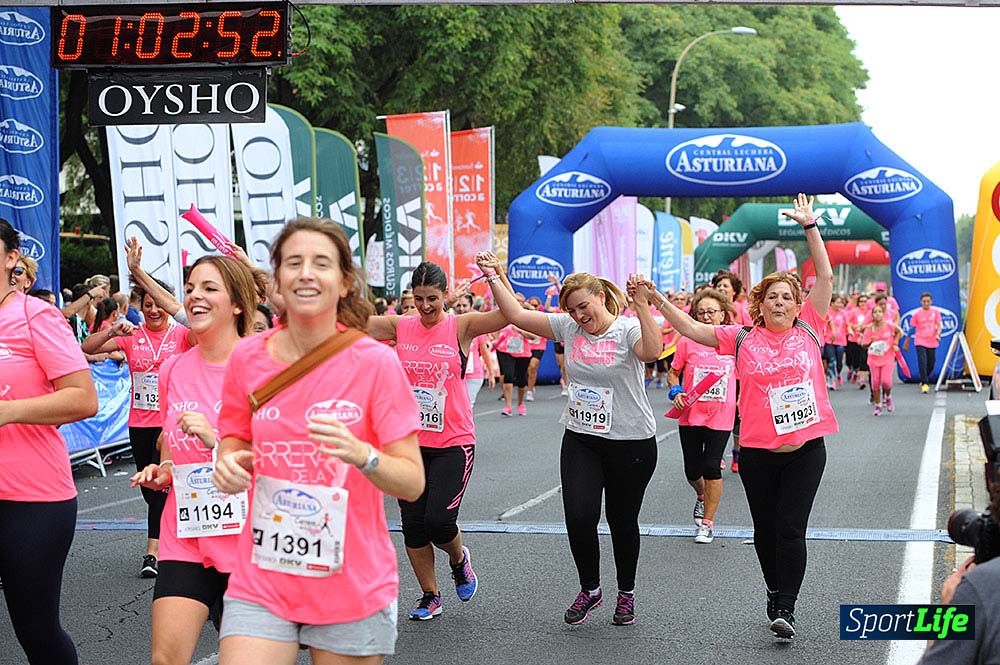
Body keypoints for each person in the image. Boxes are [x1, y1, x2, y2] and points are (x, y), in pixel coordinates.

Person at [212, 218, 424, 663]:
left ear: (345, 283)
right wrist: (228, 463)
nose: (306, 272)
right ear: (277, 281)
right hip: (265, 572)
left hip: (350, 578)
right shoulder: (247, 358)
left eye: (321, 263)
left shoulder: (375, 364)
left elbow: (411, 482)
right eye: (294, 263)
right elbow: (232, 439)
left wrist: (363, 455)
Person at [642, 194, 837, 640]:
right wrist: (656, 300)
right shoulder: (741, 337)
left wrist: (811, 227)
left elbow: (823, 275)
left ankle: (786, 605)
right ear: (760, 303)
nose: (781, 304)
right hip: (756, 452)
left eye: (788, 297)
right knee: (766, 532)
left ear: (797, 303)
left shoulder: (811, 326)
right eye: (773, 298)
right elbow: (690, 329)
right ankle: (773, 589)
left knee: (790, 528)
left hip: (806, 449)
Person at [478, 251, 663, 627]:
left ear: (601, 297)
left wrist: (642, 305)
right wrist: (494, 276)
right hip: (582, 437)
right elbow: (516, 315)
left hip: (631, 441)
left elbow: (653, 350)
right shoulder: (567, 328)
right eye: (572, 310)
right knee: (579, 517)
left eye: (584, 307)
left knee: (622, 521)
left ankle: (626, 592)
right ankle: (591, 589)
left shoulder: (626, 330)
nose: (580, 316)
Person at [129, 255, 257, 665]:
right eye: (190, 289)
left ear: (237, 304)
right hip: (187, 531)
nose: (194, 296)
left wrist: (216, 440)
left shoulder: (264, 368)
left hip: (249, 541)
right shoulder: (173, 370)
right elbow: (171, 441)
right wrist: (163, 472)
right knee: (166, 659)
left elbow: (284, 457)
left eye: (209, 288)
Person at [367, 261, 507, 621]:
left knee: (439, 521)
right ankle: (430, 595)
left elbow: (508, 315)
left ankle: (459, 559)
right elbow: (350, 322)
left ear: (446, 295)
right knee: (413, 525)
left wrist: (494, 276)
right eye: (418, 299)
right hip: (408, 442)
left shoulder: (462, 325)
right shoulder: (401, 326)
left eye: (432, 298)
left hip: (453, 442)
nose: (426, 307)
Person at [0, 218, 98, 664]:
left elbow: (83, 398)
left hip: (32, 500)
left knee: (36, 630)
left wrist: (10, 412)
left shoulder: (34, 315)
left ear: (11, 259)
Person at [82, 277, 195, 577]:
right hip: (139, 423)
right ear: (140, 307)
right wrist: (111, 330)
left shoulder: (182, 335)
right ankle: (178, 531)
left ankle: (153, 554)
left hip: (172, 422)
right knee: (151, 490)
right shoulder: (131, 333)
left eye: (159, 303)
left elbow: (206, 336)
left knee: (160, 487)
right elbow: (86, 347)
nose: (154, 310)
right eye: (148, 305)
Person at [666, 288, 738, 544]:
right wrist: (675, 390)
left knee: (711, 466)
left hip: (721, 414)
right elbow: (673, 372)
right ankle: (701, 495)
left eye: (712, 312)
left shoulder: (734, 341)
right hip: (691, 412)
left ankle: (707, 524)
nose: (706, 317)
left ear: (723, 314)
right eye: (701, 312)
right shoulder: (687, 341)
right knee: (692, 470)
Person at [454, 293, 496, 405]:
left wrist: (491, 373)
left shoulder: (476, 328)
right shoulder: (448, 325)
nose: (461, 309)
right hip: (453, 376)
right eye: (458, 305)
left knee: (466, 406)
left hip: (473, 376)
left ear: (470, 307)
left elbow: (484, 351)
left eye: (464, 305)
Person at [861, 305, 903, 416]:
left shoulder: (889, 325)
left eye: (880, 311)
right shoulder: (869, 328)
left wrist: (895, 343)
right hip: (874, 359)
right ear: (872, 315)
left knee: (886, 381)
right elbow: (863, 343)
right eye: (875, 312)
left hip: (887, 357)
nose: (878, 314)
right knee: (875, 384)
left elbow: (900, 332)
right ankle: (878, 405)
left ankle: (888, 397)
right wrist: (870, 343)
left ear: (883, 314)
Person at [911, 292, 943, 394]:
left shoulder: (936, 312)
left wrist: (938, 334)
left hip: (932, 340)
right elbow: (912, 328)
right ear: (921, 302)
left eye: (928, 301)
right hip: (920, 340)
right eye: (924, 301)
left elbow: (939, 325)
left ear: (931, 302)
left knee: (931, 363)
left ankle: (923, 377)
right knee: (922, 362)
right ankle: (925, 383)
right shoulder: (916, 314)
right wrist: (906, 340)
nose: (926, 303)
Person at [824, 295, 849, 390]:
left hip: (841, 340)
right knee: (832, 361)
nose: (840, 305)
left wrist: (850, 331)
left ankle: (838, 373)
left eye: (841, 303)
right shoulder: (827, 312)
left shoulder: (844, 313)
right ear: (832, 303)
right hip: (829, 340)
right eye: (838, 302)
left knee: (839, 361)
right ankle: (832, 380)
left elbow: (848, 324)